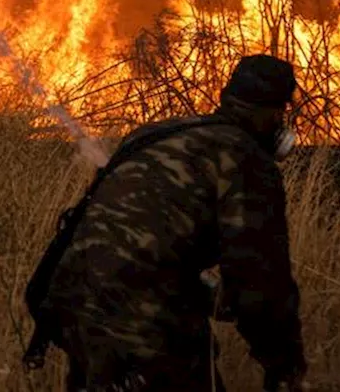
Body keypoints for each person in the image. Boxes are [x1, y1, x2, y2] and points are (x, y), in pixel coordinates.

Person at [31, 54, 308, 392]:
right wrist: (284, 366)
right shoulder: (247, 160)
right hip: (144, 319)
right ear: (276, 114)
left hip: (70, 302)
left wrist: (208, 294)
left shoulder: (155, 133)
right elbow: (261, 281)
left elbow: (135, 241)